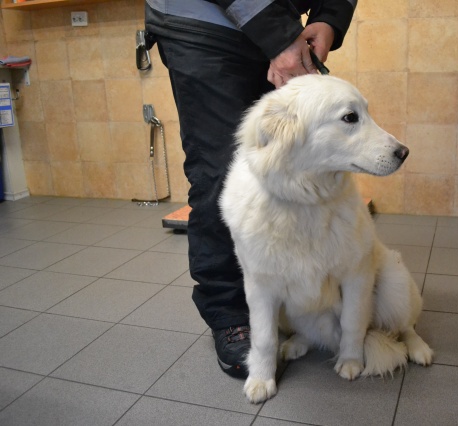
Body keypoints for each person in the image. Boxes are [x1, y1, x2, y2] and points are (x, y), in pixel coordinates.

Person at [144, 0, 357, 379]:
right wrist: (280, 36)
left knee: (287, 166)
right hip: (203, 25)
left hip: (280, 25)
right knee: (223, 173)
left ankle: (284, 299)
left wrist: (329, 18)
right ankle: (229, 313)